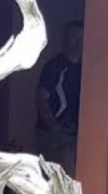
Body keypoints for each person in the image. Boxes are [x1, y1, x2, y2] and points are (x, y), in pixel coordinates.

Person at [36, 20, 84, 174]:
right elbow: (41, 99)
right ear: (66, 39)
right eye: (75, 36)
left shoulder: (87, 68)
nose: (79, 42)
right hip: (55, 133)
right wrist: (54, 128)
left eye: (82, 37)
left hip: (78, 132)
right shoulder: (54, 67)